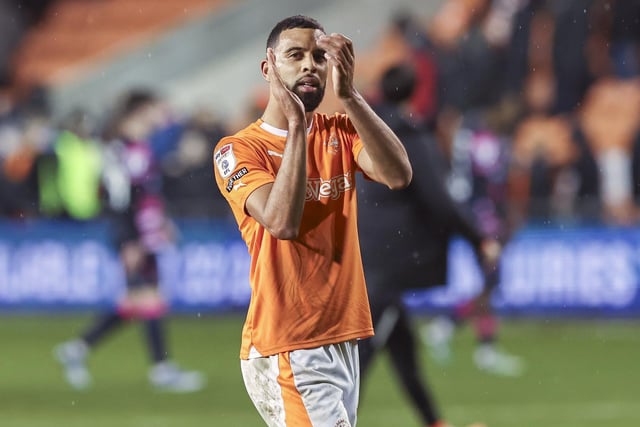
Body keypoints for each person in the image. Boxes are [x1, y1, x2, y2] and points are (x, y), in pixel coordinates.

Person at [212, 15, 412, 427]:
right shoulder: (237, 149)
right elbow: (281, 222)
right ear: (268, 67)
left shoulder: (340, 129)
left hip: (342, 335)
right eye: (295, 55)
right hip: (289, 343)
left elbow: (398, 175)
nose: (310, 65)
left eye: (319, 56)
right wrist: (298, 128)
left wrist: (352, 97)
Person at [357, 63, 492, 427]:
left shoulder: (364, 127)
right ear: (415, 91)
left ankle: (434, 422)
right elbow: (440, 200)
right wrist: (480, 239)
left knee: (402, 347)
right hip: (389, 260)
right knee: (362, 355)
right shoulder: (408, 134)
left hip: (364, 252)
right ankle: (330, 420)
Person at [53, 89, 205, 393]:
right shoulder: (119, 149)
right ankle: (161, 369)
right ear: (139, 112)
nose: (158, 117)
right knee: (150, 299)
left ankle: (78, 348)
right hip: (134, 236)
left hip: (145, 233)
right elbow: (119, 199)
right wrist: (129, 241)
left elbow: (145, 192)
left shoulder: (136, 147)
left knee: (138, 302)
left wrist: (162, 222)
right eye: (154, 110)